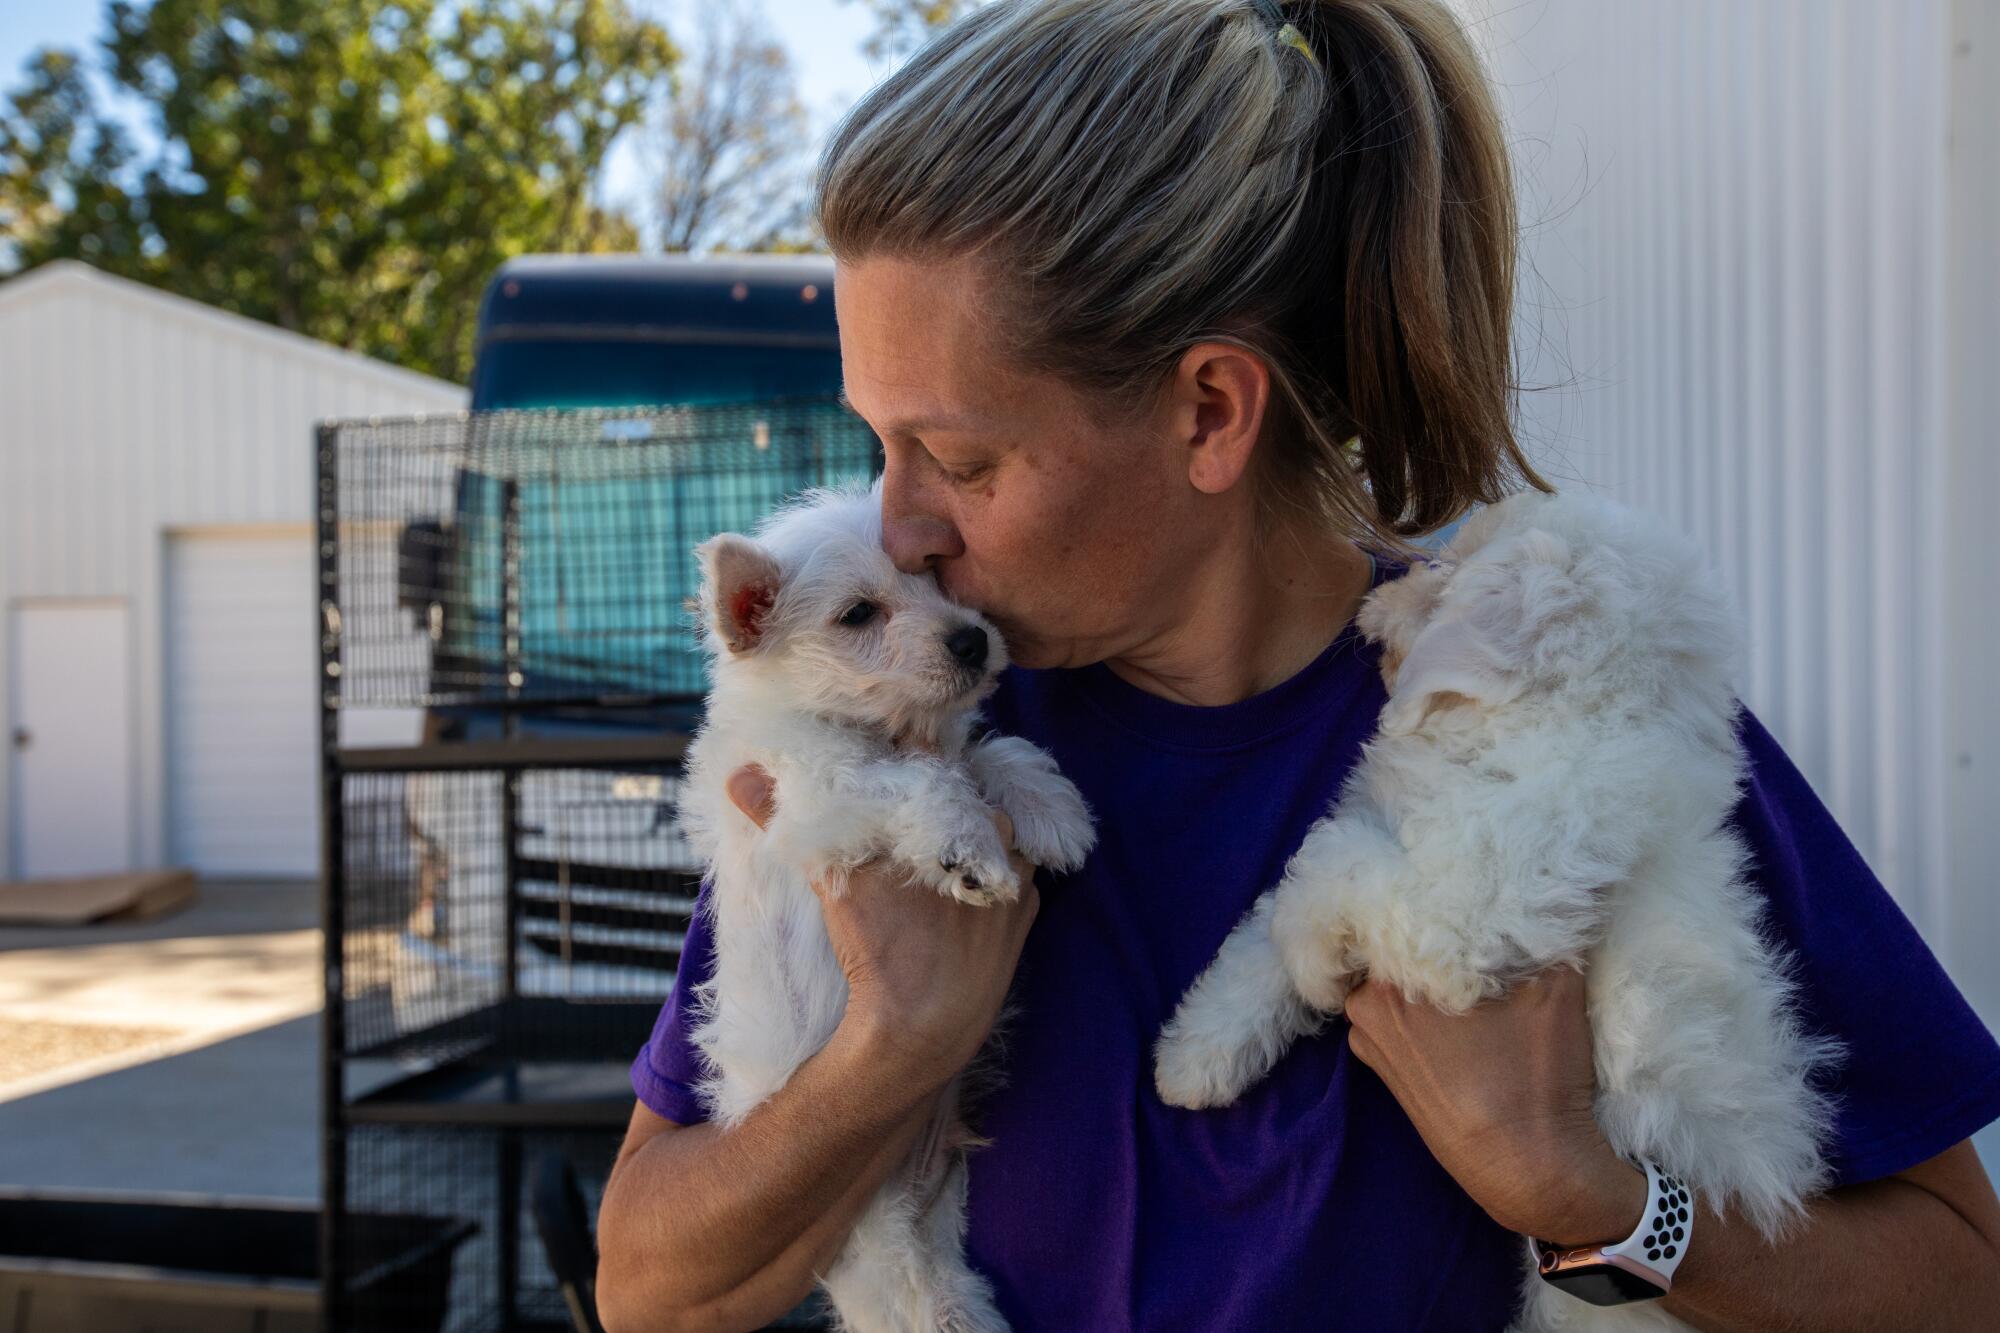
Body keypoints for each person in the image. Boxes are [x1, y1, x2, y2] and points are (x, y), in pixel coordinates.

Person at [594, 2, 2000, 1329]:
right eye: (878, 440)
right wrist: (887, 1050)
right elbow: (647, 1287)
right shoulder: (919, 745)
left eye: (961, 457)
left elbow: (1962, 1278)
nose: (896, 524)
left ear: (1211, 411)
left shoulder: (1548, 706)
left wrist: (1592, 1192)